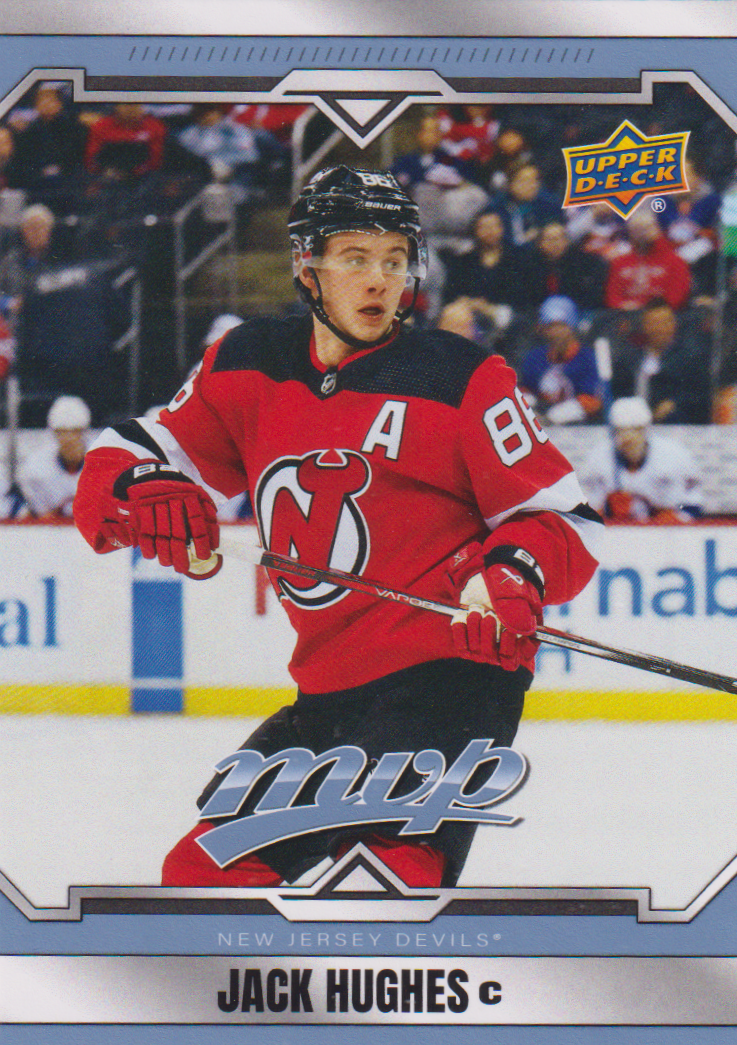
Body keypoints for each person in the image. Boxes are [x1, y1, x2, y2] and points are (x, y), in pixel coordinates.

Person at [73, 166, 601, 889]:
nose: (380, 280)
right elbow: (125, 454)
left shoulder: (461, 377)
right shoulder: (248, 362)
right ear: (307, 266)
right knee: (202, 875)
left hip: (448, 680)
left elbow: (564, 518)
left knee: (384, 881)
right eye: (355, 258)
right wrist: (143, 489)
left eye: (394, 259)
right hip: (326, 695)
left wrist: (508, 574)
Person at [580, 397, 704, 524]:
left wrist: (669, 519)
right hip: (616, 532)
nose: (628, 437)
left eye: (636, 429)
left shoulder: (674, 455)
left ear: (647, 429)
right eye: (620, 431)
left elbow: (693, 504)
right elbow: (587, 513)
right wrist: (606, 511)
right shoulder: (597, 457)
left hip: (664, 532)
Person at [610, 297, 713, 423]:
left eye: (665, 322)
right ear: (644, 326)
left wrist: (674, 403)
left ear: (674, 324)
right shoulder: (630, 358)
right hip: (632, 422)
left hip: (674, 422)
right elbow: (618, 391)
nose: (659, 328)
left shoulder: (690, 358)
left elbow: (700, 394)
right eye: (654, 323)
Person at [519, 296, 603, 424]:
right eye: (550, 326)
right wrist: (530, 409)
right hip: (540, 423)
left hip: (581, 427)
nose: (556, 332)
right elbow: (523, 391)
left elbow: (593, 400)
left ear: (572, 326)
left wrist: (556, 416)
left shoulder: (587, 358)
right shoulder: (534, 358)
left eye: (561, 326)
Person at [19, 395, 91, 519]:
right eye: (61, 432)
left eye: (75, 431)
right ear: (54, 433)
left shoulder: (105, 465)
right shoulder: (35, 468)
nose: (69, 439)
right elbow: (27, 518)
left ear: (84, 432)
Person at [604, 209, 691, 312]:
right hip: (626, 314)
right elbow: (612, 296)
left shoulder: (675, 262)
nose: (642, 234)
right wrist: (623, 306)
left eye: (646, 229)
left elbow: (676, 297)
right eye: (637, 230)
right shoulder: (620, 262)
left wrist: (649, 309)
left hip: (661, 314)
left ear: (656, 229)